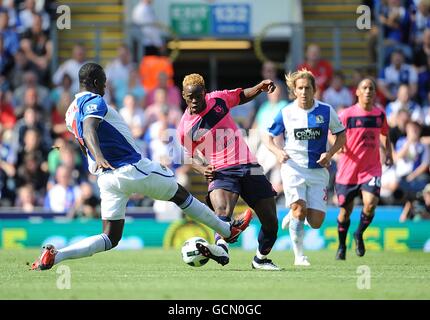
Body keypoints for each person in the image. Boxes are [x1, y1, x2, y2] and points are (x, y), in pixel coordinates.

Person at [30, 63, 252, 271]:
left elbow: (82, 139)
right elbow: (89, 129)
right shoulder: (94, 101)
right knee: (180, 195)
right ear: (96, 82)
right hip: (130, 167)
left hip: (107, 179)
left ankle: (56, 256)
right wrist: (98, 155)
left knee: (110, 237)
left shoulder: (70, 111)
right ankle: (227, 230)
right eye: (104, 82)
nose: (106, 87)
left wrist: (94, 160)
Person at [178, 73, 281, 270]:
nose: (194, 101)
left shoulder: (218, 99)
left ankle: (260, 259)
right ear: (183, 95)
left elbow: (241, 96)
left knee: (270, 221)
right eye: (189, 97)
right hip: (221, 170)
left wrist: (259, 87)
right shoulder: (185, 128)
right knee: (222, 211)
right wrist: (201, 168)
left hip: (249, 165)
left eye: (198, 96)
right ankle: (222, 248)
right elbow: (187, 156)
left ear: (205, 93)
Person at [264, 69, 346, 266]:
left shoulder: (326, 111)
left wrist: (330, 153)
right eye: (299, 88)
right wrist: (277, 152)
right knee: (300, 209)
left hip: (318, 170)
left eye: (307, 88)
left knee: (316, 222)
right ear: (294, 90)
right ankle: (299, 256)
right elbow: (267, 137)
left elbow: (341, 135)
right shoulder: (286, 112)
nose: (303, 92)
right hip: (293, 167)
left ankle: (294, 217)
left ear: (314, 89)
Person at [334, 78, 393, 260]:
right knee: (345, 212)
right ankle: (342, 245)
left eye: (371, 88)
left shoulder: (379, 115)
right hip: (348, 170)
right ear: (357, 92)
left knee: (370, 204)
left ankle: (358, 233)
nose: (368, 91)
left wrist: (388, 153)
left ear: (375, 93)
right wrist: (337, 147)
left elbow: (385, 134)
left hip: (371, 169)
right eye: (364, 88)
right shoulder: (346, 115)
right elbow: (332, 134)